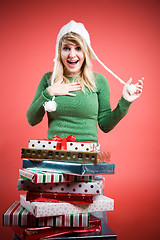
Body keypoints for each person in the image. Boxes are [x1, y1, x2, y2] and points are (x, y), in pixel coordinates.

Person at [27, 20, 143, 144]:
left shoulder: (99, 81)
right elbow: (32, 120)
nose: (72, 54)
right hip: (55, 155)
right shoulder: (48, 79)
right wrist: (48, 92)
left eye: (78, 48)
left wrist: (125, 102)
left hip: (87, 156)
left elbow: (106, 126)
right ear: (59, 52)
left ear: (86, 51)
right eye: (66, 48)